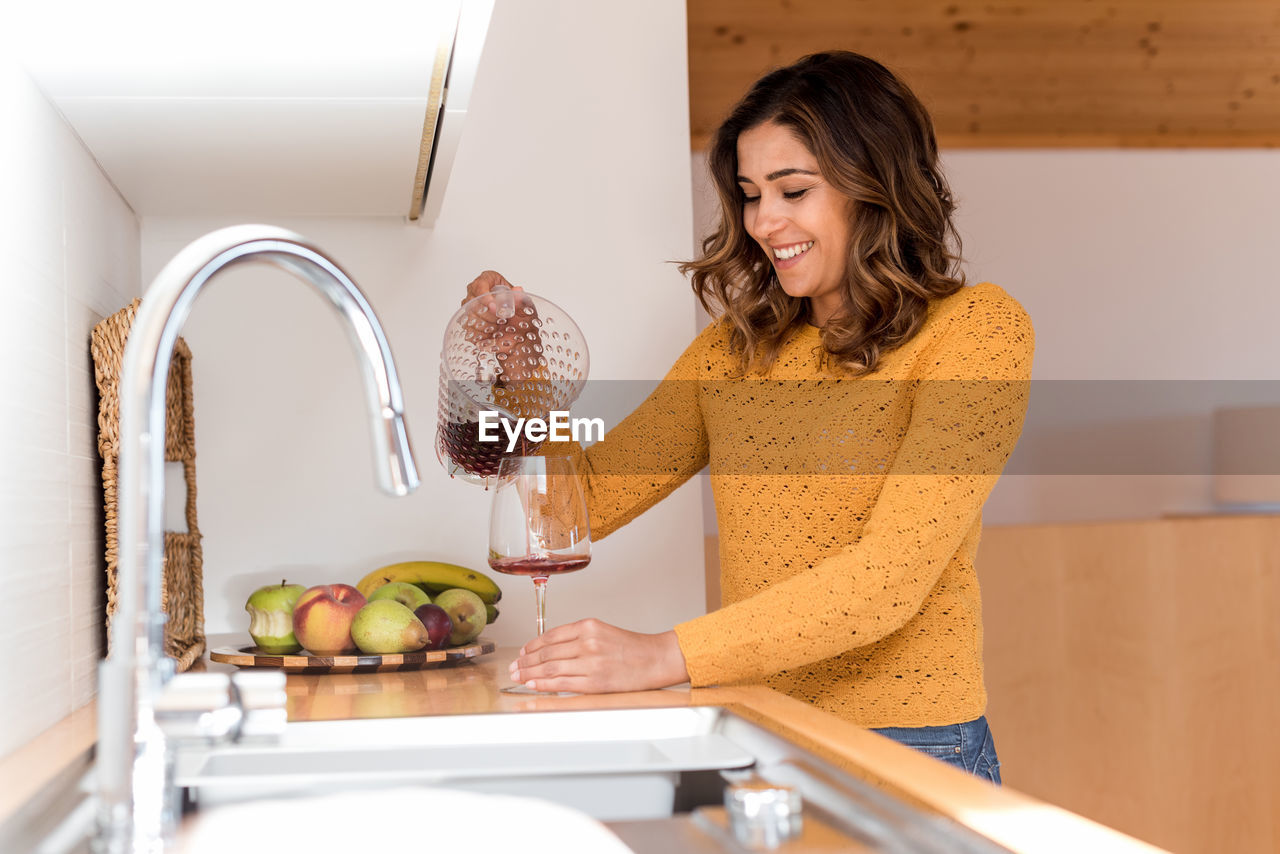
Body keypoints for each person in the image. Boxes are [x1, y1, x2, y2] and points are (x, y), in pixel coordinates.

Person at [463, 51, 1032, 783]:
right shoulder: (734, 351)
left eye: (793, 190)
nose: (765, 221)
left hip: (908, 743)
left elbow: (887, 579)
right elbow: (578, 506)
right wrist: (523, 366)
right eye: (751, 194)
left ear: (877, 185)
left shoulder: (977, 332)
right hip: (759, 730)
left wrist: (661, 655)